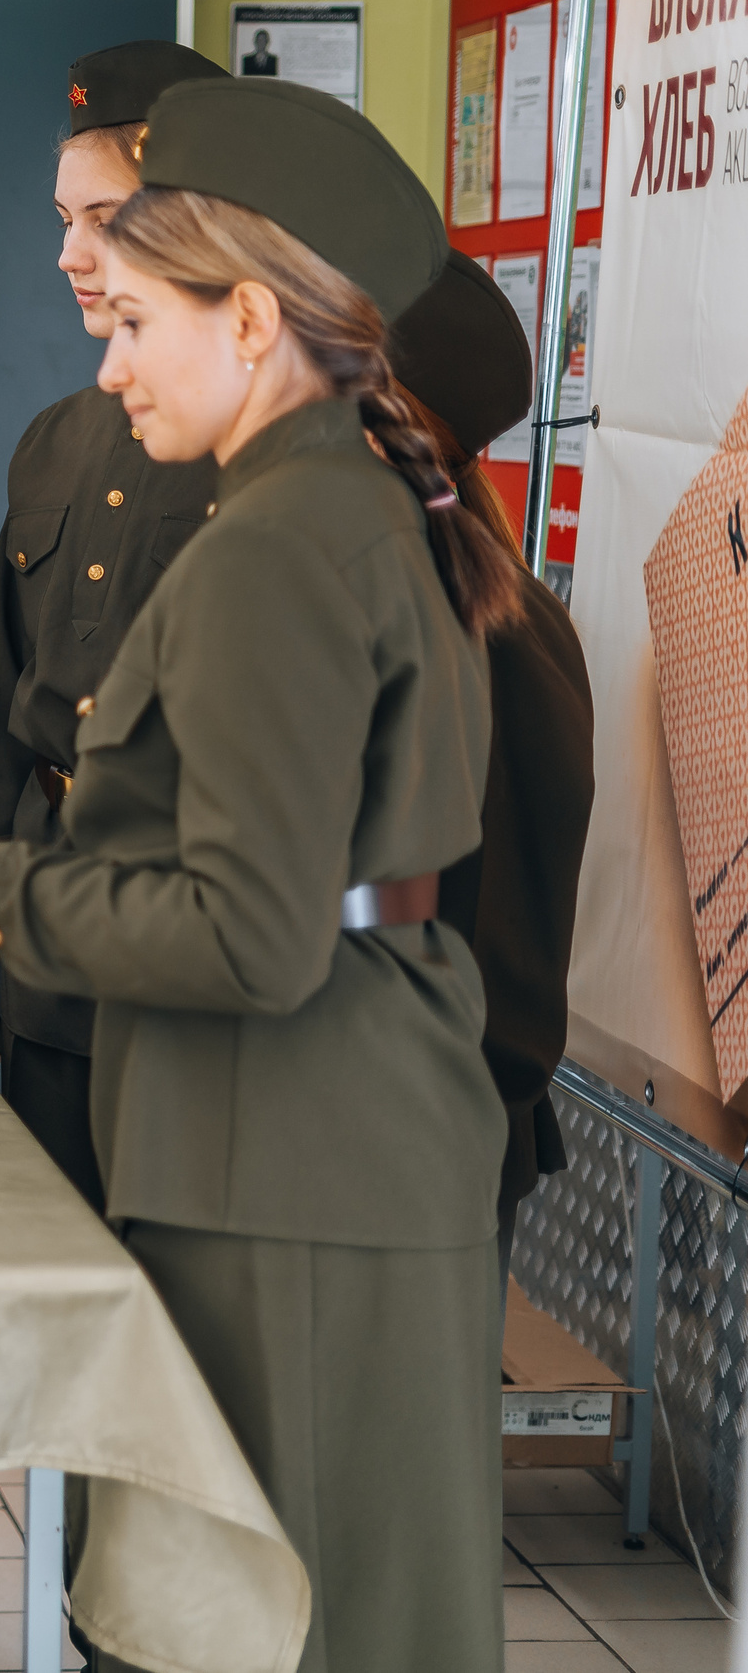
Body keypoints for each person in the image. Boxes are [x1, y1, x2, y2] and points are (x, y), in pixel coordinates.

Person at [0, 80, 514, 1670]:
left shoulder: (280, 544)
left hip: (289, 1161)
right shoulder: (355, 505)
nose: (108, 359)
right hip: (327, 1138)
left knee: (290, 1621)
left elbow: (249, 932)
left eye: (140, 318)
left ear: (249, 322)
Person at [0, 39, 225, 1210]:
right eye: (62, 218)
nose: (68, 254)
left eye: (102, 217)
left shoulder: (259, 439)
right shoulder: (54, 439)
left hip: (199, 959)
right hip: (50, 952)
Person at [389, 248, 596, 1274]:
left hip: (418, 1133)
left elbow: (490, 931)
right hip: (429, 1120)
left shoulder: (471, 626)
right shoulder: (486, 603)